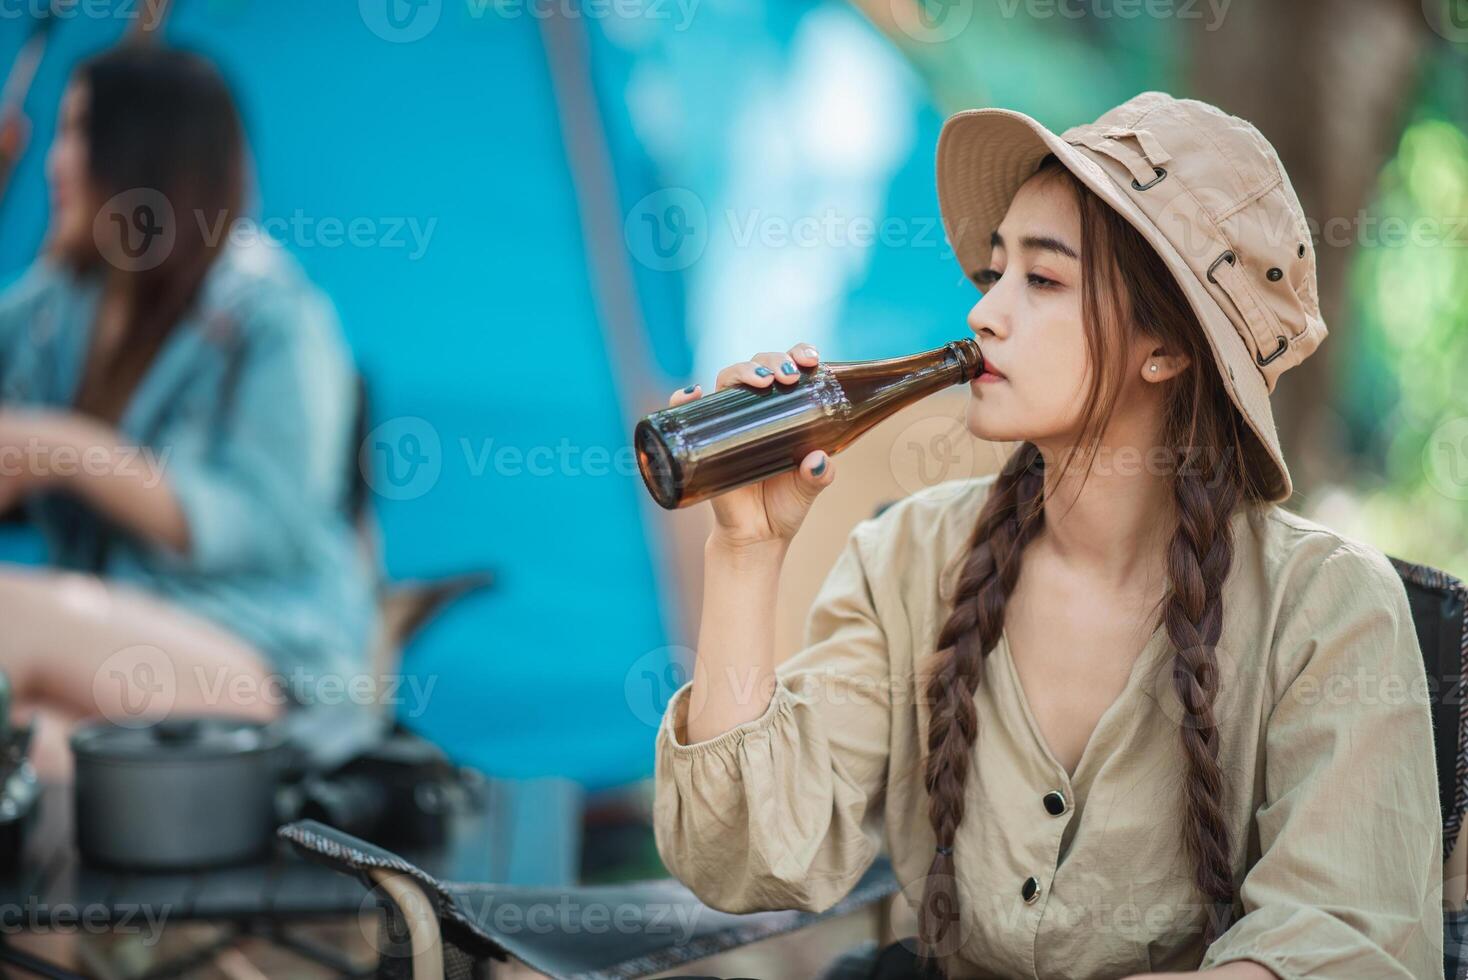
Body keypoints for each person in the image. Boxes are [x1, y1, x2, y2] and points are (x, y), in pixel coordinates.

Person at [652, 92, 1445, 978]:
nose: (984, 314)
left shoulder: (1328, 607)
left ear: (1168, 348)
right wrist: (747, 553)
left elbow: (1340, 947)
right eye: (993, 274)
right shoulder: (909, 558)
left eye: (1044, 279)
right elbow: (745, 857)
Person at [0, 44, 378, 781]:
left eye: (79, 132)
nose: (56, 161)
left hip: (269, 667)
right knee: (26, 745)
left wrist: (57, 448)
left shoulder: (273, 317)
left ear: (144, 152)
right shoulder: (60, 304)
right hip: (127, 662)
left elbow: (267, 522)